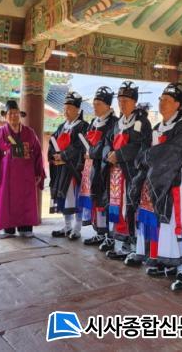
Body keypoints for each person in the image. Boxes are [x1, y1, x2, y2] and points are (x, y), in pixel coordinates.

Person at [132, 83, 182, 291]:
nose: (162, 103)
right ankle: (167, 262)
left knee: (178, 224)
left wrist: (148, 156)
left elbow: (173, 152)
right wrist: (145, 158)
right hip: (155, 181)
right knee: (161, 224)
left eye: (167, 100)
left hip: (175, 181)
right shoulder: (157, 127)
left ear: (177, 104)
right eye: (160, 99)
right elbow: (144, 152)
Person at [102, 81, 152, 262]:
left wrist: (119, 155)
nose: (122, 104)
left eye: (126, 101)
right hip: (116, 174)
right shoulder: (117, 123)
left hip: (133, 173)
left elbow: (142, 146)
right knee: (117, 206)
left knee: (131, 207)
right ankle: (121, 244)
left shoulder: (142, 122)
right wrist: (108, 154)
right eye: (120, 100)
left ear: (134, 102)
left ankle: (135, 246)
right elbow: (107, 142)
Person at [0, 99, 45, 239]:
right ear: (5, 116)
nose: (13, 116)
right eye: (10, 113)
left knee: (26, 200)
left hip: (26, 175)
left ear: (20, 115)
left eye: (16, 113)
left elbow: (38, 153)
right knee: (7, 201)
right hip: (6, 175)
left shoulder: (29, 133)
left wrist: (38, 172)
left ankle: (26, 228)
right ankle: (8, 230)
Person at [79, 86, 118, 248]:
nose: (95, 107)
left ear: (108, 105)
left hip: (106, 168)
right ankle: (100, 232)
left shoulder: (113, 123)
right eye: (94, 104)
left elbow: (106, 146)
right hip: (93, 167)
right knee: (97, 200)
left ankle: (111, 236)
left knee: (107, 200)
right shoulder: (94, 122)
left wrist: (91, 153)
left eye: (98, 104)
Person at [48, 92, 89, 239]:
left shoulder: (83, 126)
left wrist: (64, 156)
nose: (66, 111)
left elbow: (80, 146)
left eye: (69, 108)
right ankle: (67, 226)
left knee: (76, 199)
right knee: (63, 198)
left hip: (73, 169)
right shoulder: (61, 126)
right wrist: (54, 156)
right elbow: (52, 142)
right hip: (61, 169)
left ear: (78, 109)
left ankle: (77, 228)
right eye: (64, 108)